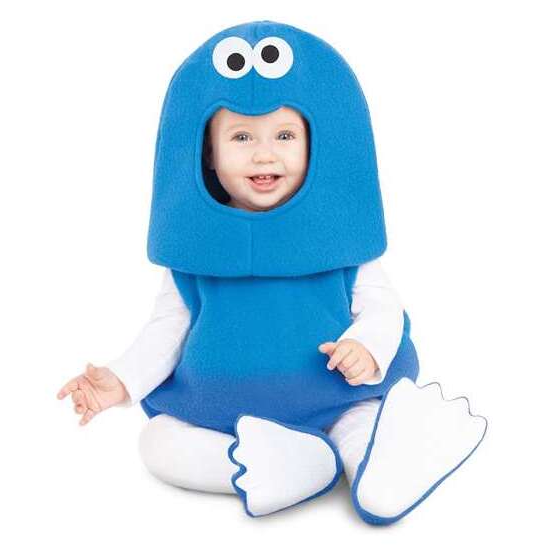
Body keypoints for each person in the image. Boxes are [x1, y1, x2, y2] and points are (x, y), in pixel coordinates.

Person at [57, 20, 487, 524]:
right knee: (158, 442)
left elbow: (383, 308)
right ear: (209, 155)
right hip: (226, 415)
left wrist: (366, 347)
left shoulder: (342, 243)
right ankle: (291, 465)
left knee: (362, 421)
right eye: (242, 136)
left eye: (284, 135)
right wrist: (121, 380)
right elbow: (166, 331)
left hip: (335, 399)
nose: (265, 153)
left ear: (313, 145)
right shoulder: (194, 253)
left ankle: (382, 470)